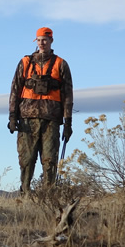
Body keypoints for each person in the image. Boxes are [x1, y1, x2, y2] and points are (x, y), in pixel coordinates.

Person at [8, 26, 74, 194]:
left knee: (50, 160)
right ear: (35, 42)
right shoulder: (25, 62)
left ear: (51, 40)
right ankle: (25, 193)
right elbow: (15, 90)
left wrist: (68, 123)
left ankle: (49, 194)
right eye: (39, 40)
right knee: (26, 159)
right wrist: (12, 117)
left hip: (51, 120)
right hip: (27, 120)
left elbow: (68, 95)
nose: (42, 43)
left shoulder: (61, 64)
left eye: (45, 39)